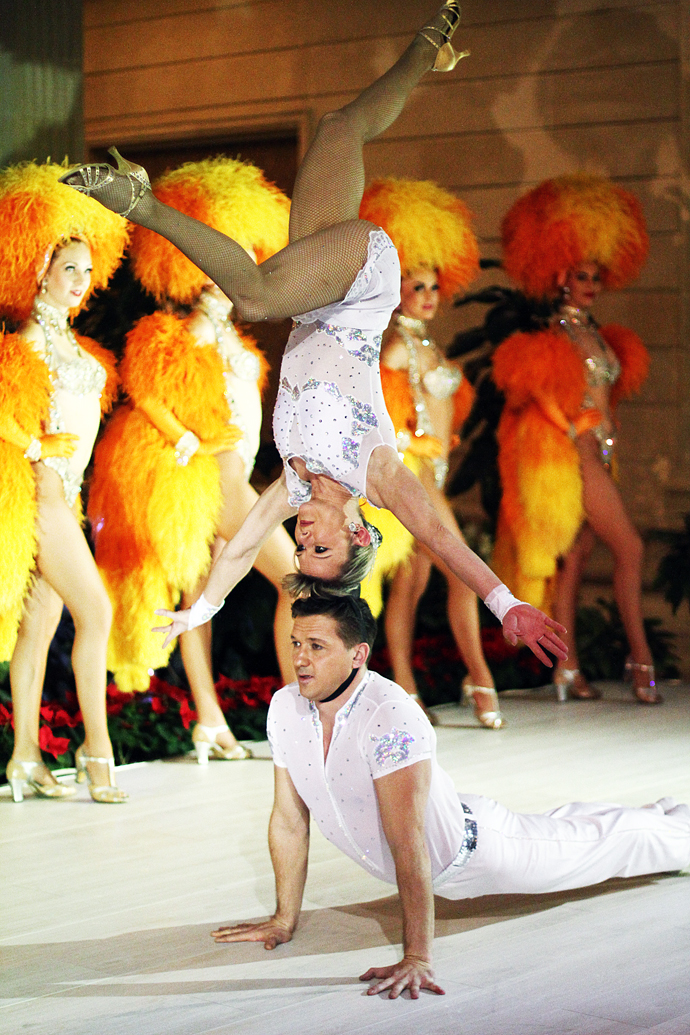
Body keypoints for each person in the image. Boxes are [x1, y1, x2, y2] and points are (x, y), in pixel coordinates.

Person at [61, 3, 566, 667]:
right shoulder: (375, 472)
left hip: (317, 293)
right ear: (359, 532)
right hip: (356, 285)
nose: (303, 542)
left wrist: (202, 607)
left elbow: (242, 547)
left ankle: (429, 48)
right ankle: (141, 201)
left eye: (303, 552)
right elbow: (443, 539)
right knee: (253, 293)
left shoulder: (296, 486)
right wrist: (507, 603)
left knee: (338, 127)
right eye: (319, 548)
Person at [209, 593, 690, 999]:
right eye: (297, 643)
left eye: (316, 646)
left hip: (477, 853)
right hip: (454, 836)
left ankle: (677, 826)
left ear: (358, 654)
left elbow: (409, 841)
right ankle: (662, 813)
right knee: (576, 830)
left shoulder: (389, 715)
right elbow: (290, 820)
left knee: (605, 845)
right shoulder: (286, 707)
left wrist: (416, 956)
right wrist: (282, 920)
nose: (300, 658)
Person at [88, 158, 295, 762]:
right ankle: (290, 714)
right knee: (299, 584)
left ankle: (212, 718)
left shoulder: (238, 342)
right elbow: (146, 391)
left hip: (231, 479)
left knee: (203, 597)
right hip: (216, 483)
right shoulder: (171, 335)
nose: (242, 268)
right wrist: (188, 439)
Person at [492, 173, 659, 703]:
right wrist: (570, 427)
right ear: (562, 277)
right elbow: (538, 391)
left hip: (601, 456)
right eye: (583, 276)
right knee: (629, 549)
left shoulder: (597, 333)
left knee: (577, 561)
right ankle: (641, 662)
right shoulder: (555, 338)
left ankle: (567, 669)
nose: (592, 284)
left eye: (597, 277)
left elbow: (606, 392)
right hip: (579, 458)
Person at [0, 162, 129, 803]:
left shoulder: (74, 345)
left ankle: (24, 757)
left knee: (39, 628)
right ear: (42, 271)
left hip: (68, 500)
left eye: (86, 271)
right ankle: (96, 749)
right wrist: (32, 443)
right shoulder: (25, 340)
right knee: (97, 611)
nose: (80, 282)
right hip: (44, 498)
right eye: (68, 270)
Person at [358, 177, 503, 728]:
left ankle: (407, 690)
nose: (428, 296)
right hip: (414, 475)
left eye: (434, 288)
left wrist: (449, 434)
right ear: (397, 291)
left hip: (435, 475)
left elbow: (441, 405)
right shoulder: (395, 346)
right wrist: (413, 441)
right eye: (417, 287)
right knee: (464, 571)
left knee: (414, 583)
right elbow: (376, 414)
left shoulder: (428, 345)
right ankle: (481, 679)